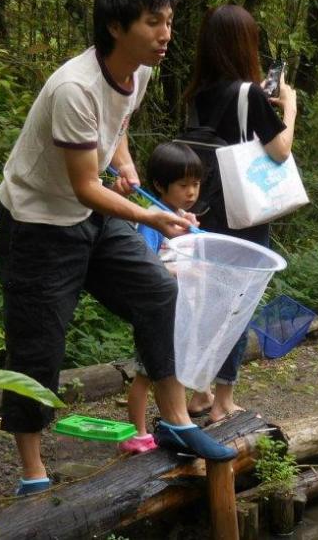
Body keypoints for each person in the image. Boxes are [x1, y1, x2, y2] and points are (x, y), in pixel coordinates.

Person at [0, 0, 235, 496]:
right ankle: (32, 471)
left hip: (91, 216)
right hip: (38, 223)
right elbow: (83, 185)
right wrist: (150, 216)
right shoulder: (74, 89)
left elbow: (117, 126)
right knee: (38, 345)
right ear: (114, 27)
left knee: (158, 291)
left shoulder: (139, 72)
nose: (166, 34)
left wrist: (124, 162)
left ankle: (176, 420)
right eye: (153, 23)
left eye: (169, 21)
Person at [182, 4, 298, 425]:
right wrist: (289, 107)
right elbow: (279, 151)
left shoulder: (197, 94)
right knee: (237, 302)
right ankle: (224, 401)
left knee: (205, 302)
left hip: (203, 208)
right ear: (245, 45)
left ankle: (199, 392)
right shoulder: (249, 93)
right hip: (243, 216)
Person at [121, 142, 203, 454]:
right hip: (156, 312)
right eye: (183, 185)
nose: (191, 192)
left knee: (170, 371)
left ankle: (173, 423)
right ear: (159, 185)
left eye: (195, 184)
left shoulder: (181, 216)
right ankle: (138, 433)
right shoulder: (152, 219)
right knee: (145, 373)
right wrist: (182, 274)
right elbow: (148, 265)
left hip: (179, 310)